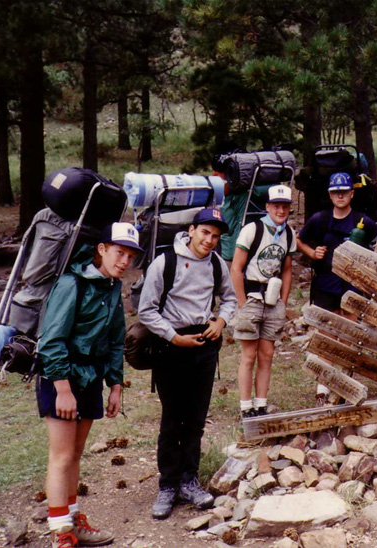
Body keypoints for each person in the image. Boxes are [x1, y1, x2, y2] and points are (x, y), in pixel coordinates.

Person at [38, 222, 142, 548]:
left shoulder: (112, 287)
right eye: (119, 252)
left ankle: (73, 519)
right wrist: (63, 389)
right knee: (61, 455)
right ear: (102, 249)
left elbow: (114, 340)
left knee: (76, 453)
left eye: (130, 256)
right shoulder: (73, 284)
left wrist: (115, 384)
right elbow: (51, 341)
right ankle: (61, 533)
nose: (124, 261)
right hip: (61, 380)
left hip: (90, 380)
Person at [138, 208, 237, 520]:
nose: (209, 240)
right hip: (171, 345)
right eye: (205, 232)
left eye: (216, 236)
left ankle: (189, 480)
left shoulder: (216, 263)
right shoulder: (165, 262)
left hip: (204, 344)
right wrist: (172, 337)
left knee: (196, 417)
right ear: (192, 230)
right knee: (173, 418)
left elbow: (231, 298)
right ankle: (167, 484)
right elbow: (146, 309)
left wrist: (221, 320)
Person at [297, 172, 377, 406]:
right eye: (335, 192)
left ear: (352, 194)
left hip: (352, 288)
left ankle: (343, 385)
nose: (340, 195)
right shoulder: (320, 219)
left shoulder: (363, 221)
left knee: (350, 338)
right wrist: (312, 253)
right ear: (330, 194)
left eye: (344, 191)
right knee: (326, 337)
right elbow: (300, 239)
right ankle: (323, 388)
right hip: (325, 285)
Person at [230, 185, 296, 419]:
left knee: (267, 354)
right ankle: (246, 405)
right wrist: (241, 301)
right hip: (252, 298)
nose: (280, 210)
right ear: (267, 207)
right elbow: (236, 268)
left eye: (285, 206)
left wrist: (283, 302)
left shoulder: (288, 233)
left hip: (273, 299)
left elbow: (287, 269)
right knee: (249, 354)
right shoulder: (253, 230)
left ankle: (261, 403)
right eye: (276, 205)